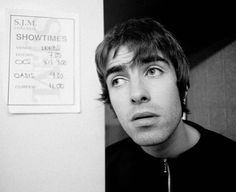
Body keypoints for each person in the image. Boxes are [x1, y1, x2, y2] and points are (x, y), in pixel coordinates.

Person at [95, 18, 236, 192]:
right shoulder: (99, 175)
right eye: (118, 80)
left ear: (182, 87)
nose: (137, 94)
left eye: (153, 71)